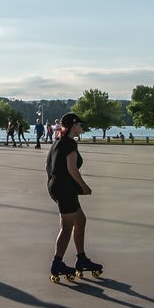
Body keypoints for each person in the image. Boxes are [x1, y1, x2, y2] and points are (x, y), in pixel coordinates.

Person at [46, 113, 102, 282]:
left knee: (80, 220)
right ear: (73, 125)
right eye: (80, 125)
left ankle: (81, 258)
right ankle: (57, 263)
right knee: (67, 227)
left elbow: (49, 165)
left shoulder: (58, 141)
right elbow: (72, 169)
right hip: (64, 189)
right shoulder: (69, 143)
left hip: (59, 187)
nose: (82, 128)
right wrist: (84, 187)